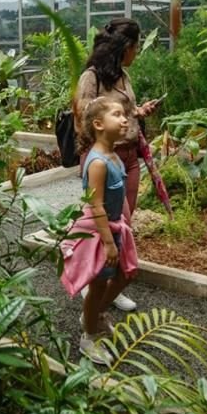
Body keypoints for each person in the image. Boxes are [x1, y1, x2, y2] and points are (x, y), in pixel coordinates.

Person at [59, 96, 138, 365]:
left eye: (124, 114)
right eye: (117, 114)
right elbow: (95, 205)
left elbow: (121, 198)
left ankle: (94, 314)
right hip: (99, 233)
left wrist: (126, 227)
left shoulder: (113, 155)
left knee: (125, 275)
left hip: (116, 228)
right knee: (99, 284)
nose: (125, 119)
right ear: (98, 124)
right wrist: (108, 242)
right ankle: (89, 336)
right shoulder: (97, 163)